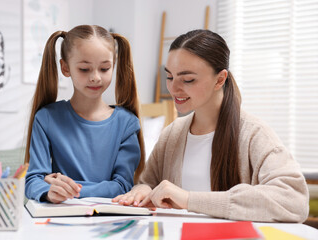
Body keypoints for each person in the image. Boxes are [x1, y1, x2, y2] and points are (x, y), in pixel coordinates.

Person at [113, 29, 309, 223]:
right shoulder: (172, 134)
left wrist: (189, 200)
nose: (173, 89)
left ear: (220, 79)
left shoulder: (254, 134)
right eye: (170, 77)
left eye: (188, 79)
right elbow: (149, 182)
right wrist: (143, 189)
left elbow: (294, 201)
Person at [24, 25, 145, 204]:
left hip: (108, 219)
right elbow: (33, 182)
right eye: (84, 69)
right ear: (65, 68)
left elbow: (121, 186)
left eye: (104, 69)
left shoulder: (127, 123)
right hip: (60, 219)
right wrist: (49, 191)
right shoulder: (46, 118)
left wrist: (67, 188)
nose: (95, 77)